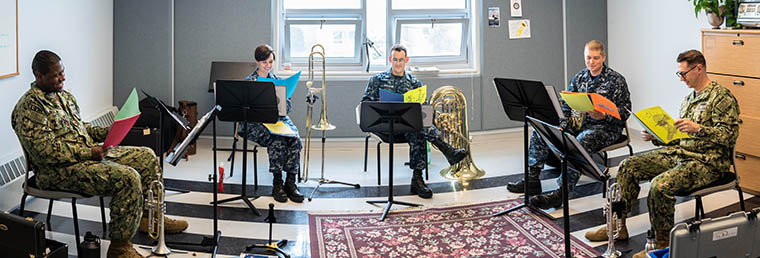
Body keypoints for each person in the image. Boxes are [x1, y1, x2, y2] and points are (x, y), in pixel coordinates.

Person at [12, 50, 188, 258]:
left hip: (84, 157)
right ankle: (119, 247)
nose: (63, 78)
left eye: (63, 72)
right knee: (127, 178)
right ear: (39, 76)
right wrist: (89, 152)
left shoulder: (64, 96)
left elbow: (80, 129)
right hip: (56, 172)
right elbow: (46, 152)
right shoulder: (30, 107)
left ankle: (151, 218)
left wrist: (111, 130)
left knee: (146, 156)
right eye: (56, 75)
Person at [584, 49, 740, 258]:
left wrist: (699, 129)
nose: (681, 79)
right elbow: (678, 136)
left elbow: (729, 135)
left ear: (699, 68)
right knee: (628, 166)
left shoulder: (721, 97)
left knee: (660, 185)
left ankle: (662, 244)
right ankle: (617, 226)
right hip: (680, 153)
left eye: (683, 73)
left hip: (707, 163)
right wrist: (655, 136)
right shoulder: (689, 98)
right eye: (679, 74)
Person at [506, 40, 632, 209]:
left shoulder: (616, 80)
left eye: (595, 58)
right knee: (541, 129)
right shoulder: (580, 77)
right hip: (579, 123)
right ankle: (532, 179)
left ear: (603, 57)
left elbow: (625, 112)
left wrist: (604, 116)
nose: (591, 62)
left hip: (605, 128)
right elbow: (566, 106)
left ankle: (561, 193)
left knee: (580, 142)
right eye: (588, 58)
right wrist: (562, 123)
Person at [360, 44, 467, 199]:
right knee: (418, 128)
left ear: (406, 60)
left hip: (407, 127)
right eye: (395, 60)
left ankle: (417, 179)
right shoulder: (377, 80)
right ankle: (446, 150)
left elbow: (422, 111)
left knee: (418, 127)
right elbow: (366, 105)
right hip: (384, 126)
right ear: (390, 59)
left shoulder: (414, 83)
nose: (397, 63)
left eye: (401, 60)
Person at [238, 44, 304, 203]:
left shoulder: (278, 81)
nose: (268, 66)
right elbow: (244, 110)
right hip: (256, 123)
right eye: (264, 62)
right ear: (257, 62)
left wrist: (282, 103)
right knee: (277, 139)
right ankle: (277, 183)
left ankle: (291, 182)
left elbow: (288, 108)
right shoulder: (249, 82)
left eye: (270, 62)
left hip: (278, 119)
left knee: (294, 138)